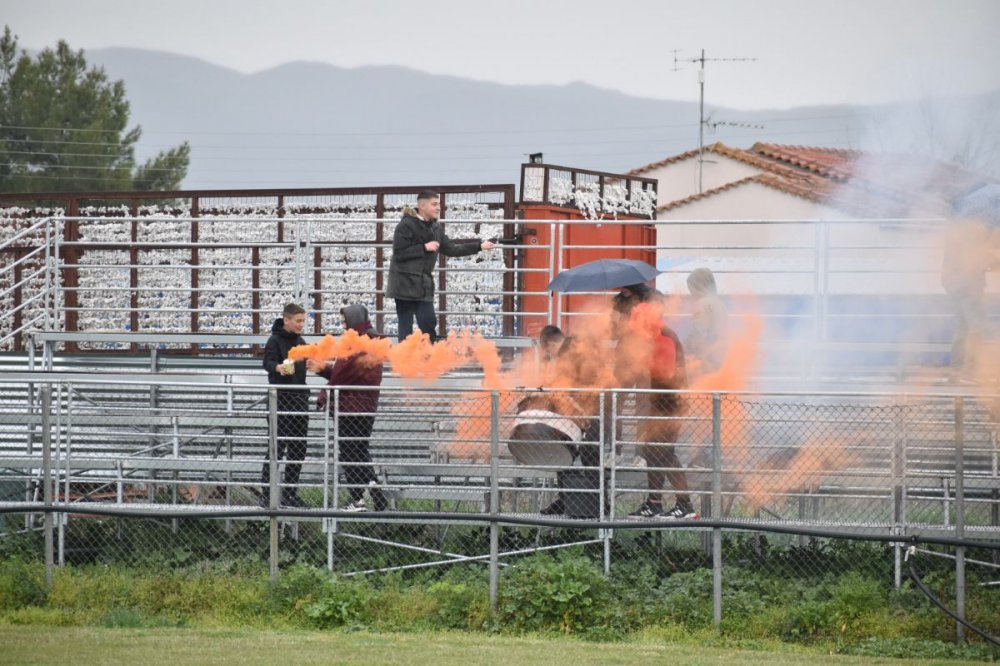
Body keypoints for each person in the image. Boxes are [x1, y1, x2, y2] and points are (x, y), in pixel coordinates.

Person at [612, 287, 696, 520]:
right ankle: (654, 502)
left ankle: (685, 505)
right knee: (652, 451)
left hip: (668, 404)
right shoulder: (646, 337)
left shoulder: (664, 336)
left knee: (665, 453)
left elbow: (666, 375)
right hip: (654, 405)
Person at [386, 190, 496, 341]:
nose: (438, 208)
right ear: (422, 206)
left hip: (423, 284)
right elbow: (399, 254)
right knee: (405, 326)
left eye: (439, 204)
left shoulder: (435, 227)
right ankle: (405, 362)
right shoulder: (405, 226)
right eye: (434, 204)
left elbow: (451, 248)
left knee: (428, 322)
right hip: (404, 284)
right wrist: (424, 247)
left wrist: (479, 246)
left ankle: (430, 359)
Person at [308, 304, 388, 512]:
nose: (343, 326)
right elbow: (346, 375)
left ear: (353, 322)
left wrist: (322, 369)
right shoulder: (373, 340)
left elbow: (339, 376)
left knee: (349, 453)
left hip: (349, 408)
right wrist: (327, 370)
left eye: (345, 322)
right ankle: (375, 492)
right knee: (360, 451)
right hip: (367, 408)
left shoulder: (354, 344)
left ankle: (358, 499)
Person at [261, 303, 310, 508]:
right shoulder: (274, 340)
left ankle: (290, 493)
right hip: (280, 401)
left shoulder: (301, 341)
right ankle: (267, 494)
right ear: (286, 319)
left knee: (298, 448)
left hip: (299, 401)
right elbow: (267, 363)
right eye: (298, 321)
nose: (301, 325)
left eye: (303, 321)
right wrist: (278, 367)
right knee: (276, 448)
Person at [941, 218, 998, 381]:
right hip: (969, 286)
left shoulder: (955, 232)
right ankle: (970, 370)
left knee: (962, 327)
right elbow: (981, 259)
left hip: (955, 286)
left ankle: (957, 369)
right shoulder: (972, 233)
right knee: (976, 327)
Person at [684, 267, 730, 376]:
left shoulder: (702, 304)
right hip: (720, 356)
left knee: (701, 390)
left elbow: (698, 333)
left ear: (697, 286)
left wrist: (682, 348)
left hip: (705, 359)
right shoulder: (719, 303)